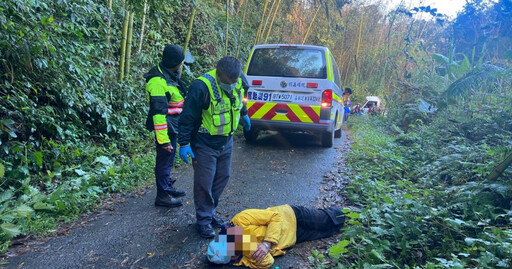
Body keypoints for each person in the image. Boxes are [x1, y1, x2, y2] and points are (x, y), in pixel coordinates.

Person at [178, 56, 251, 238]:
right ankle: (203, 221)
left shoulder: (240, 81)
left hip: (226, 141)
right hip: (204, 143)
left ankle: (210, 213)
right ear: (218, 73)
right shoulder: (201, 87)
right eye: (228, 83)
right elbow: (187, 116)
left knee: (222, 177)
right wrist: (184, 143)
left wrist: (244, 114)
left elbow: (240, 99)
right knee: (204, 183)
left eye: (234, 82)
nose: (232, 86)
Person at [206, 204, 345, 268]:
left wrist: (267, 243)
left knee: (325, 220)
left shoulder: (241, 220)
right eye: (232, 258)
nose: (236, 257)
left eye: (233, 252)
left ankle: (349, 211)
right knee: (327, 232)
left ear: (228, 237)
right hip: (292, 237)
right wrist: (247, 248)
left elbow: (275, 216)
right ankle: (346, 223)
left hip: (291, 216)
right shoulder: (240, 255)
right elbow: (267, 262)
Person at [143, 44, 187, 208]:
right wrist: (163, 140)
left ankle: (167, 187)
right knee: (164, 160)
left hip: (173, 124)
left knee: (168, 160)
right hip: (166, 127)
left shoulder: (169, 74)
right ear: (176, 62)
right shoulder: (157, 82)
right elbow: (158, 114)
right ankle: (162, 195)